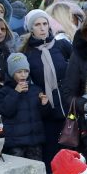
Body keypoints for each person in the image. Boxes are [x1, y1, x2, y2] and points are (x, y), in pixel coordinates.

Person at [21, 9, 73, 165]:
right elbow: (26, 80)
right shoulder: (27, 53)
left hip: (67, 107)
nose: (42, 28)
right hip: (46, 111)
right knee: (51, 155)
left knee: (71, 152)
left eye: (45, 23)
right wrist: (39, 95)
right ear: (31, 29)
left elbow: (77, 69)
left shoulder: (62, 45)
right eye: (37, 25)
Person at [0, 53, 50, 161]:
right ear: (11, 73)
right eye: (19, 72)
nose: (23, 75)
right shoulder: (4, 92)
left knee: (36, 172)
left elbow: (44, 115)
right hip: (15, 143)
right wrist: (16, 92)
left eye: (26, 71)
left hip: (35, 142)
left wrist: (45, 104)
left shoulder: (36, 89)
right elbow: (6, 111)